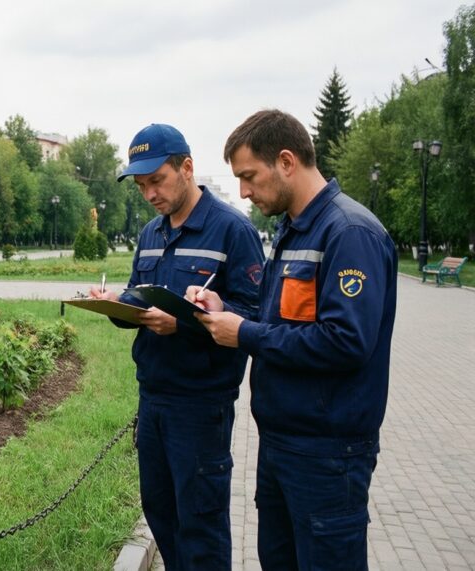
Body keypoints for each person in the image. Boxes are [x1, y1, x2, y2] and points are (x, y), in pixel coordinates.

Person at [190, 109, 397, 570]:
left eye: (249, 177)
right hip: (283, 444)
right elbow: (282, 320)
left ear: (286, 161)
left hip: (327, 454)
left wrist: (245, 333)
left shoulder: (349, 232)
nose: (244, 192)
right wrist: (227, 310)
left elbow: (345, 342)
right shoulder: (294, 229)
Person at [89, 123, 264, 570]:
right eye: (141, 186)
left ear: (187, 168)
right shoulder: (151, 234)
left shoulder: (232, 230)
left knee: (200, 525)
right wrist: (114, 304)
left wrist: (183, 325)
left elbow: (254, 315)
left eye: (157, 181)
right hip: (153, 398)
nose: (149, 194)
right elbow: (138, 300)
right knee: (161, 512)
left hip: (201, 405)